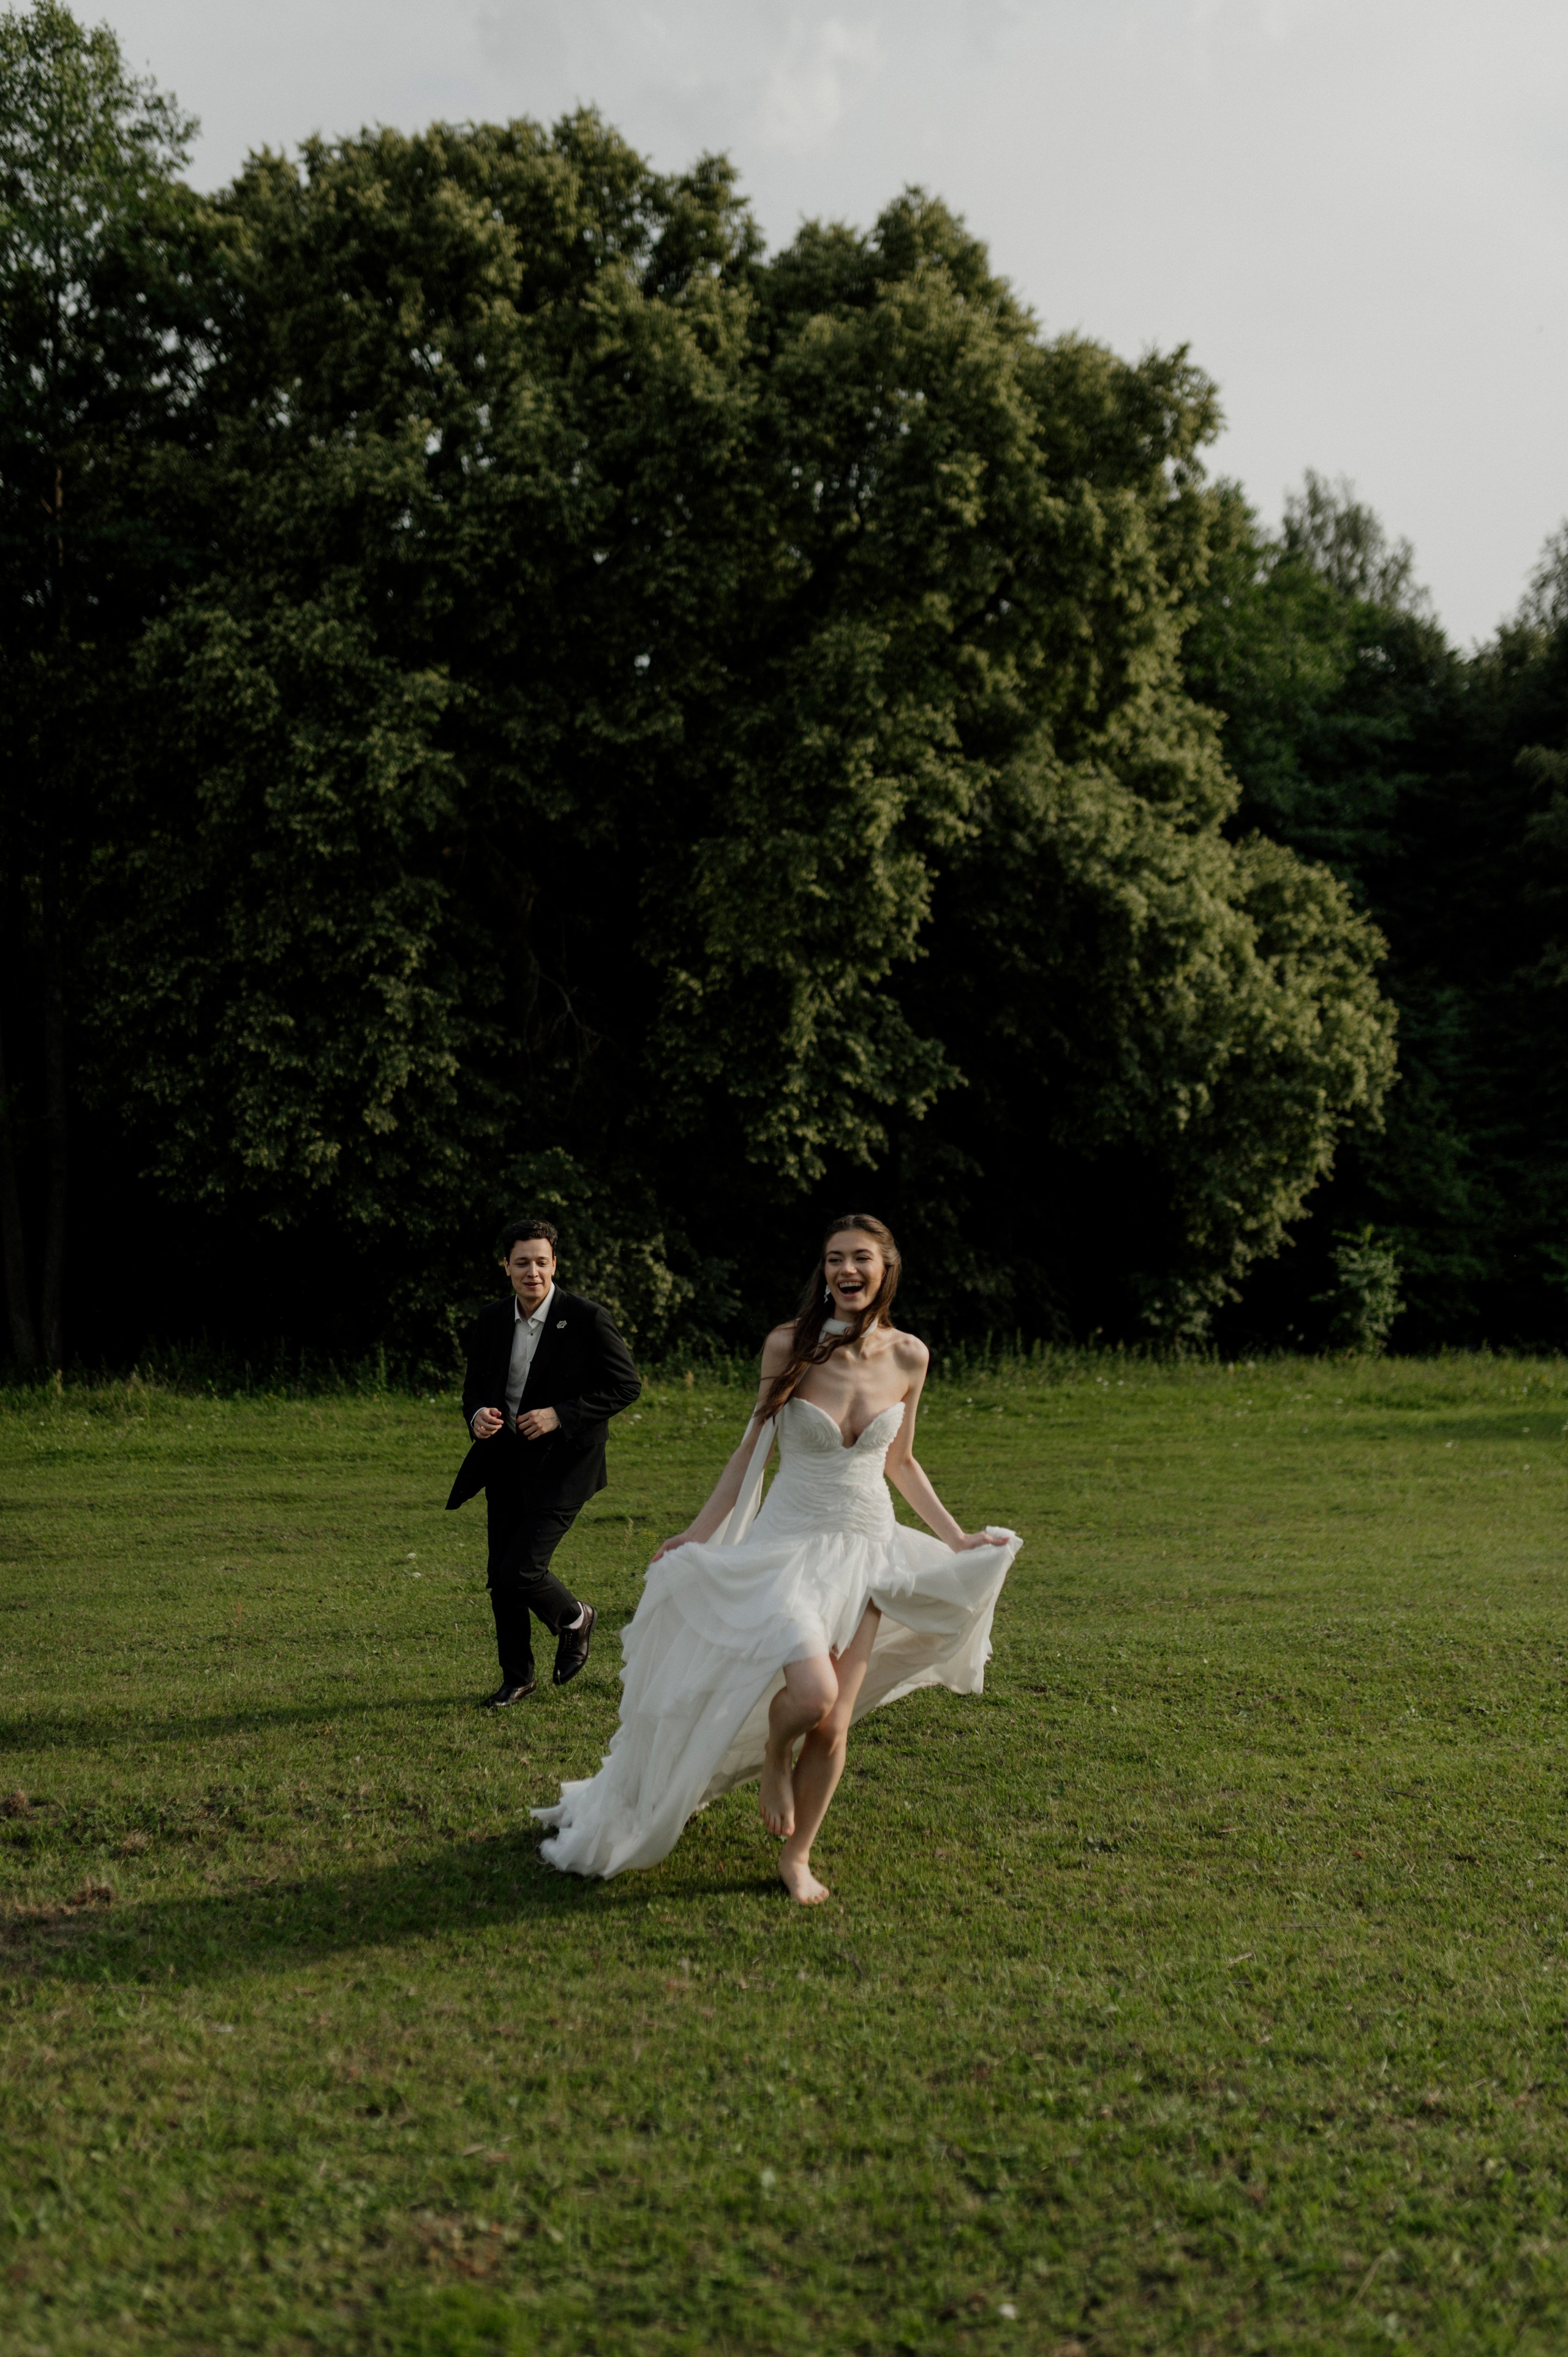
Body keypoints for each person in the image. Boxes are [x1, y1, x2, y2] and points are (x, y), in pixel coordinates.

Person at [535, 1213, 1019, 1903]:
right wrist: (701, 1530)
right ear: (822, 1271)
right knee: (812, 1694)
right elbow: (751, 1448)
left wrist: (958, 1537)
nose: (845, 1271)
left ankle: (798, 1855)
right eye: (833, 1259)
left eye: (859, 1259)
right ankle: (772, 1751)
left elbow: (901, 1460)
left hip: (868, 1553)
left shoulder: (910, 1355)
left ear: (886, 1268)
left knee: (835, 1721)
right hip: (786, 1548)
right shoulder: (788, 1345)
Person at [447, 1219, 641, 1706]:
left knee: (521, 1571)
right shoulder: (492, 1319)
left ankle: (575, 1618)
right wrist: (477, 1416)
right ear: (506, 1267)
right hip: (505, 1460)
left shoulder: (587, 1317)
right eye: (521, 1262)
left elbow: (626, 1386)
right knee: (501, 1579)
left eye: (541, 1261)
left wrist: (561, 1415)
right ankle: (518, 1679)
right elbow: (474, 1387)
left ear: (554, 1263)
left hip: (567, 1463)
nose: (531, 1271)